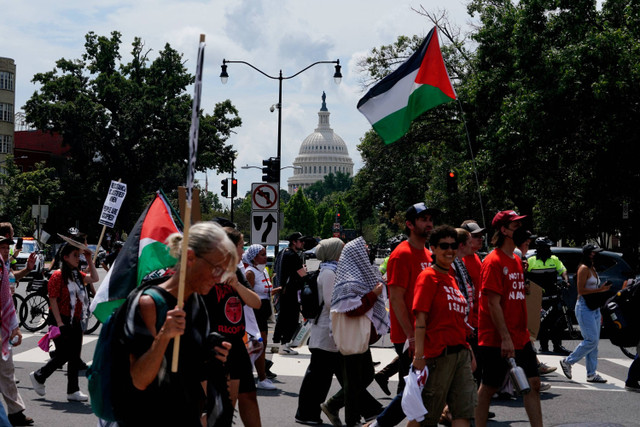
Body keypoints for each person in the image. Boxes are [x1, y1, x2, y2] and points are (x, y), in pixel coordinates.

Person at [118, 222, 233, 426]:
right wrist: (164, 336)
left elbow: (194, 372)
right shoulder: (149, 303)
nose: (218, 279)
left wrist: (214, 356)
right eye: (216, 269)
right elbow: (139, 379)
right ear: (190, 257)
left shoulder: (197, 303)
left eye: (223, 272)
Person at [368, 202, 438, 427]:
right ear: (409, 224)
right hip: (409, 336)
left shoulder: (428, 253)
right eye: (423, 219)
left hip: (426, 333)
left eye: (430, 219)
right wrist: (410, 336)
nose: (429, 223)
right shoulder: (402, 254)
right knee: (416, 389)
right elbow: (396, 299)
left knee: (411, 390)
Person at [475, 210, 542, 427]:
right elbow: (492, 304)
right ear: (503, 230)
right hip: (497, 338)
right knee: (489, 388)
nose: (520, 229)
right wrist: (505, 338)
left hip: (519, 336)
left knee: (534, 383)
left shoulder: (516, 258)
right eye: (515, 226)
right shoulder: (493, 261)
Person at [412, 225, 477, 427]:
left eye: (453, 246)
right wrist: (419, 356)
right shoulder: (428, 277)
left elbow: (458, 319)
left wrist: (469, 350)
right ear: (433, 248)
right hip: (438, 356)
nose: (450, 250)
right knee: (426, 417)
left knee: (463, 412)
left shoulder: (451, 278)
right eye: (443, 246)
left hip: (460, 353)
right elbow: (420, 320)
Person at [203, 228, 262, 427]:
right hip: (218, 346)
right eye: (240, 246)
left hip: (237, 343)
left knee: (249, 396)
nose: (243, 251)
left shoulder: (237, 272)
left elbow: (256, 303)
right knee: (225, 406)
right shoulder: (207, 271)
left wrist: (237, 285)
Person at [326, 237, 388, 427]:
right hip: (352, 338)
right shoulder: (346, 281)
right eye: (364, 250)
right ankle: (351, 420)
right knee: (353, 382)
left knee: (367, 375)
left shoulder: (356, 275)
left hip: (360, 337)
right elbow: (352, 309)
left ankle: (333, 404)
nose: (367, 253)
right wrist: (373, 295)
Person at [29, 239, 100, 402]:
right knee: (65, 354)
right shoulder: (57, 275)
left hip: (75, 320)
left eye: (78, 255)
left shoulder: (77, 275)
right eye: (75, 255)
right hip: (60, 320)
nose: (78, 258)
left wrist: (89, 259)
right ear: (66, 257)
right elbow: (52, 300)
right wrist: (60, 323)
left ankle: (72, 390)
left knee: (74, 355)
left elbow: (94, 279)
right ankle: (39, 375)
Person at [295, 237, 344, 426]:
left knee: (320, 377)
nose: (343, 253)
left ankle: (309, 412)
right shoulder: (330, 273)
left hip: (324, 330)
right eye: (340, 249)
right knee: (317, 378)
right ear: (333, 252)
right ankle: (307, 413)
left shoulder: (327, 270)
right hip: (326, 331)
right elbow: (332, 302)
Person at [559, 244, 611, 384]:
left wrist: (602, 288)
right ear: (590, 254)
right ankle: (567, 362)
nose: (597, 255)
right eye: (595, 252)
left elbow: (592, 287)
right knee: (591, 340)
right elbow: (581, 291)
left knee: (594, 342)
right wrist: (601, 290)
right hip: (584, 307)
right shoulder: (583, 268)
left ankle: (591, 374)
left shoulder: (592, 268)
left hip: (594, 307)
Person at [0, 232, 34, 426]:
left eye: (7, 248)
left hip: (4, 324)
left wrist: (28, 269)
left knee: (7, 370)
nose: (5, 251)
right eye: (2, 248)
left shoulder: (5, 268)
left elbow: (13, 282)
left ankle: (15, 413)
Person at [527, 237, 571, 355]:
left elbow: (563, 271)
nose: (548, 249)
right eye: (546, 247)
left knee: (556, 322)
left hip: (553, 296)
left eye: (549, 247)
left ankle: (557, 346)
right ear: (540, 248)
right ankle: (544, 346)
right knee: (542, 323)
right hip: (538, 298)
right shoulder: (531, 261)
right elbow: (524, 276)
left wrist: (566, 280)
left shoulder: (554, 259)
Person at [244, 244, 277, 390]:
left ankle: (260, 375)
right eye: (262, 254)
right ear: (254, 257)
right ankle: (260, 377)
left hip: (264, 309)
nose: (265, 256)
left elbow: (266, 291)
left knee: (261, 343)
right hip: (255, 310)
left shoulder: (262, 271)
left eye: (265, 254)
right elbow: (249, 295)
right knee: (259, 343)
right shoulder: (250, 272)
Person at [273, 232, 307, 355]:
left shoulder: (282, 252)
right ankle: (285, 345)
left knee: (282, 318)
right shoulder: (293, 255)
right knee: (291, 319)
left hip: (281, 291)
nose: (303, 243)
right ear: (294, 242)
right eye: (301, 241)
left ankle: (279, 343)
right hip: (290, 292)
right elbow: (303, 274)